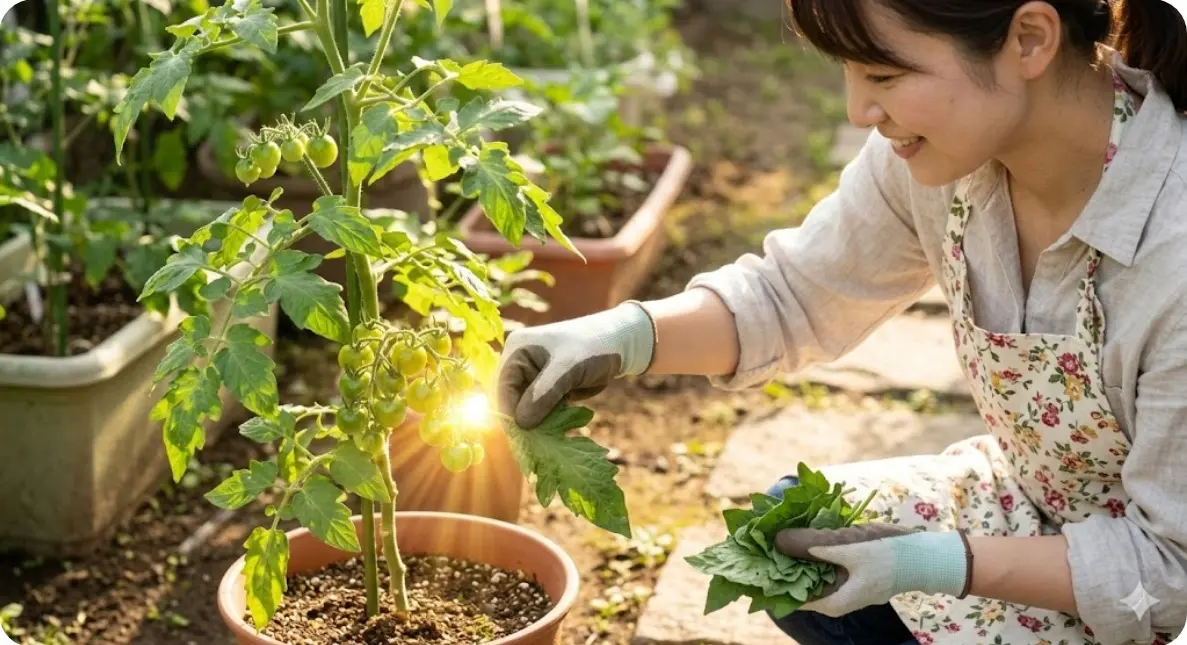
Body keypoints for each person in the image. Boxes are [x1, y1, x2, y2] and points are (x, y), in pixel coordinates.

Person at [495, 0, 1187, 643]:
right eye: (849, 73)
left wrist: (935, 561)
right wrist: (621, 335)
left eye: (883, 73)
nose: (858, 110)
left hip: (1146, 578)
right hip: (1034, 499)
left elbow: (1168, 568)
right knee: (792, 531)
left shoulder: (1172, 248)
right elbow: (794, 291)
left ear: (1028, 39)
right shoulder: (946, 160)